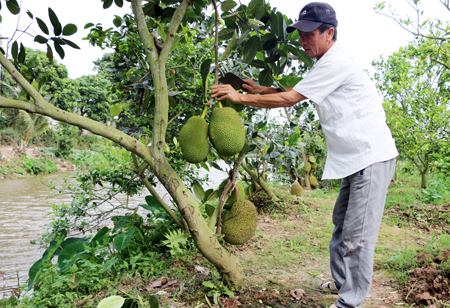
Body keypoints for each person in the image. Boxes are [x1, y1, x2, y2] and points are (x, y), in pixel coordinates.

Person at [210, 2, 398, 308]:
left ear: (330, 33)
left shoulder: (336, 63)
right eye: (301, 33)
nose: (303, 40)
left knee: (357, 236)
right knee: (341, 225)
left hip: (371, 157)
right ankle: (341, 282)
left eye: (310, 33)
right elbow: (296, 89)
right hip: (355, 159)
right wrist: (260, 89)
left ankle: (350, 301)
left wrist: (239, 96)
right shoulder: (324, 66)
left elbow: (290, 99)